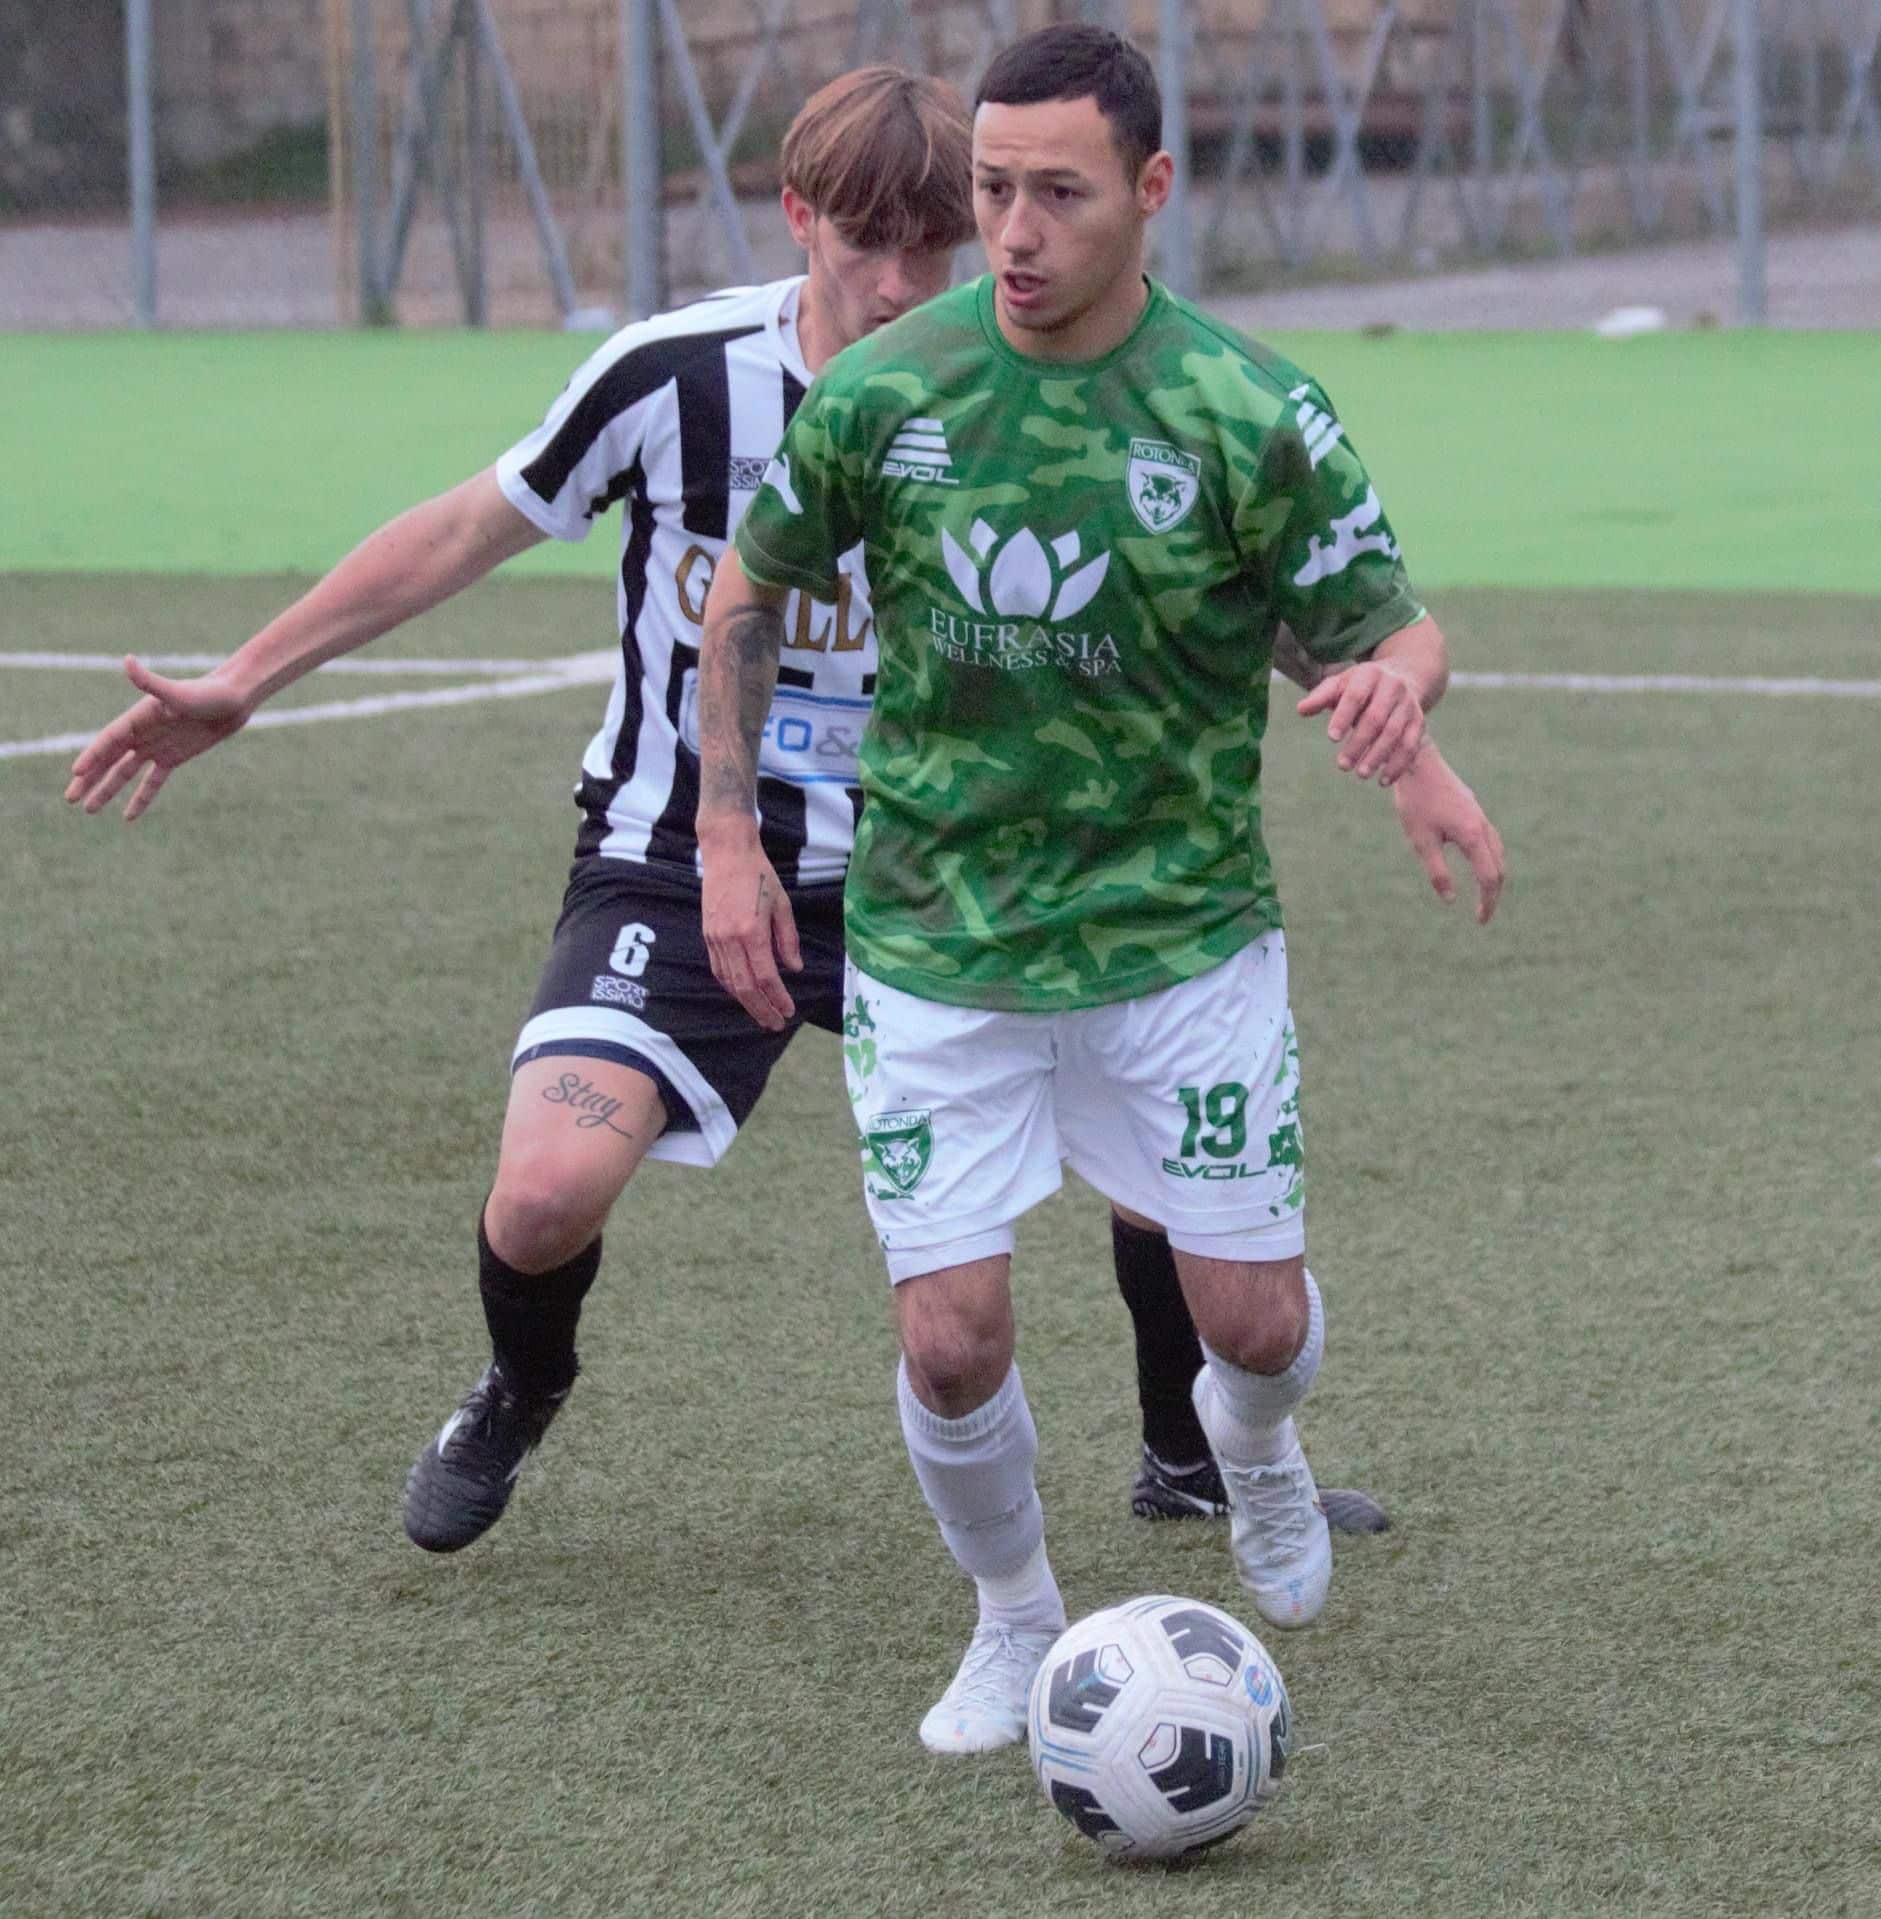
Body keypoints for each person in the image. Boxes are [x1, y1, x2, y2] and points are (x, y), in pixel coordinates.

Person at [57, 65, 1340, 1555]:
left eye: (936, 242)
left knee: (1163, 1146)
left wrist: (1369, 673)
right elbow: (469, 526)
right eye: (866, 240)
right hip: (678, 857)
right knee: (541, 1196)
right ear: (797, 218)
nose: (901, 280)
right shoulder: (677, 376)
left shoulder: (1032, 380)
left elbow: (1251, 577)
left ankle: (1187, 1453)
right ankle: (519, 1389)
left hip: (955, 864)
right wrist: (247, 678)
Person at [694, 25, 1506, 1754]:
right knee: (953, 1341)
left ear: (1150, 191)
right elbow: (746, 598)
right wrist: (726, 836)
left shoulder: (1244, 410)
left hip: (1180, 940)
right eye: (993, 190)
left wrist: (1405, 711)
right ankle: (1013, 1623)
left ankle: (1259, 1450)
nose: (1012, 230)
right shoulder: (887, 392)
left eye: (1057, 192)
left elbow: (1388, 624)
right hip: (937, 940)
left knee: (1255, 1322)